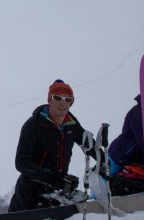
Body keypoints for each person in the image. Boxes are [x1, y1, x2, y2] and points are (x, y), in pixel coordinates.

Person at [8, 79, 107, 212]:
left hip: (58, 189)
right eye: (57, 97)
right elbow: (21, 163)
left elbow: (89, 145)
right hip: (30, 191)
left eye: (68, 99)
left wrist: (105, 162)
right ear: (50, 100)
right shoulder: (33, 125)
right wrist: (55, 179)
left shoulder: (71, 125)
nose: (63, 102)